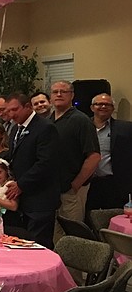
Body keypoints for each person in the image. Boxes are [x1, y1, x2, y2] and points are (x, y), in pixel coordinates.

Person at [5, 93, 60, 249]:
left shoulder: (45, 128)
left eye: (15, 110)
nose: (11, 114)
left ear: (28, 107)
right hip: (22, 200)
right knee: (22, 243)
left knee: (38, 244)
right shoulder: (15, 129)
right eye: (8, 111)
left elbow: (45, 163)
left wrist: (21, 184)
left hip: (40, 198)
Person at [49, 80, 100, 238]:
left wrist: (76, 184)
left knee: (71, 236)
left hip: (72, 190)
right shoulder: (48, 121)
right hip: (53, 189)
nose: (58, 94)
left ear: (72, 96)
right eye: (55, 92)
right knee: (55, 236)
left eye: (63, 91)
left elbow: (94, 156)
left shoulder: (81, 120)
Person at [88, 93, 132, 211]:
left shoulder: (126, 128)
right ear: (92, 107)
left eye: (107, 104)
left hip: (114, 183)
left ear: (113, 109)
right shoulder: (83, 127)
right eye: (99, 104)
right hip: (88, 183)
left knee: (114, 217)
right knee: (89, 218)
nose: (103, 107)